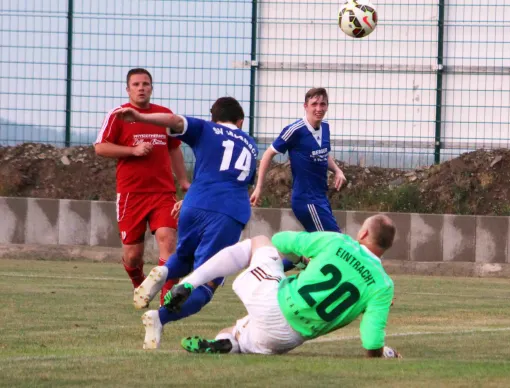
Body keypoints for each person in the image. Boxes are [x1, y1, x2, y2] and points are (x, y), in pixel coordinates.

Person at [113, 97, 258, 350]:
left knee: (184, 255)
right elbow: (238, 180)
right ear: (240, 122)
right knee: (206, 284)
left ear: (213, 117)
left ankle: (163, 272)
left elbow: (173, 120)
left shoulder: (206, 128)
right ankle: (160, 317)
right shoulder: (251, 144)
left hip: (193, 203)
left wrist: (140, 117)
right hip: (228, 211)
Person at [164, 214, 400, 359]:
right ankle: (226, 343)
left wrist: (302, 258)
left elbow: (282, 240)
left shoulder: (338, 241)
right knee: (233, 332)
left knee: (260, 242)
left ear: (364, 232)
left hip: (275, 301)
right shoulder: (383, 285)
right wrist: (381, 354)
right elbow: (371, 340)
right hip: (288, 337)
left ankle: (188, 283)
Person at [94, 68, 190, 303]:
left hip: (163, 193)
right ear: (128, 89)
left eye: (145, 84)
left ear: (151, 88)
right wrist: (133, 151)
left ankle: (167, 301)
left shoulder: (163, 115)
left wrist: (184, 181)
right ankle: (140, 286)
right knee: (133, 255)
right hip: (131, 195)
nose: (141, 88)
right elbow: (100, 147)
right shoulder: (118, 115)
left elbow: (174, 148)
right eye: (136, 84)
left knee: (168, 240)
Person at [250, 88, 346, 270]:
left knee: (315, 249)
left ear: (327, 106)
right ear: (305, 106)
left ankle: (267, 270)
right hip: (307, 200)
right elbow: (268, 154)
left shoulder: (325, 128)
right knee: (335, 242)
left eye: (322, 104)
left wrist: (338, 170)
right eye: (314, 104)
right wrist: (259, 187)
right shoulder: (295, 130)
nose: (319, 108)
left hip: (320, 198)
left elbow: (324, 154)